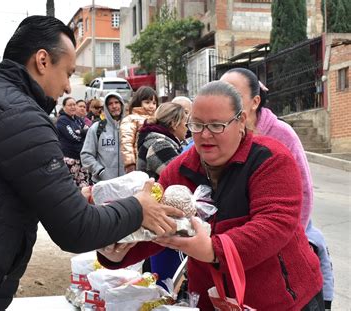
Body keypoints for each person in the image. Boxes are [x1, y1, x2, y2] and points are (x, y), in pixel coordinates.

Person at [0, 16, 184, 311]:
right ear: (42, 61)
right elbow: (76, 229)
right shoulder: (20, 116)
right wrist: (138, 208)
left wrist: (70, 197)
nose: (68, 87)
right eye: (67, 72)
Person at [97, 81, 324, 310]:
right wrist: (118, 253)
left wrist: (213, 250)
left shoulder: (271, 158)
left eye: (216, 125)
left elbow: (274, 224)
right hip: (213, 300)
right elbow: (159, 224)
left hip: (284, 299)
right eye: (196, 125)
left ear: (241, 121)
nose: (205, 135)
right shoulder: (179, 170)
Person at [220, 67, 334, 309]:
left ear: (255, 101)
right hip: (239, 244)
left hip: (285, 237)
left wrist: (289, 236)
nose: (226, 100)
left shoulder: (281, 135)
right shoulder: (221, 132)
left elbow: (304, 190)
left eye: (234, 94)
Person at [136, 102, 189, 288]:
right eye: (185, 123)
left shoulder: (159, 140)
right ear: (174, 123)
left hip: (158, 216)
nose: (187, 129)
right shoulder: (159, 144)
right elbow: (181, 179)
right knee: (164, 276)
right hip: (161, 217)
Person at [81, 92, 126, 183]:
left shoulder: (129, 127)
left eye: (116, 102)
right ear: (106, 107)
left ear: (121, 104)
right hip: (103, 184)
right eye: (110, 104)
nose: (114, 106)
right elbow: (86, 156)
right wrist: (100, 171)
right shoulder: (97, 128)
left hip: (126, 184)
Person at [120, 86, 158, 173]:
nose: (151, 106)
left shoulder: (157, 119)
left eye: (154, 103)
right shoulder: (131, 119)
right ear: (138, 102)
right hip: (138, 163)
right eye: (147, 102)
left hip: (153, 161)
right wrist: (130, 163)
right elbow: (126, 142)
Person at [56, 97, 91, 187]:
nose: (72, 107)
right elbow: (74, 137)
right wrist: (83, 133)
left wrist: (82, 132)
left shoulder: (78, 119)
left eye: (74, 104)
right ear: (64, 107)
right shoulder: (62, 120)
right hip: (70, 159)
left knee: (84, 184)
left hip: (81, 157)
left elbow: (89, 132)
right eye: (70, 105)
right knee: (72, 185)